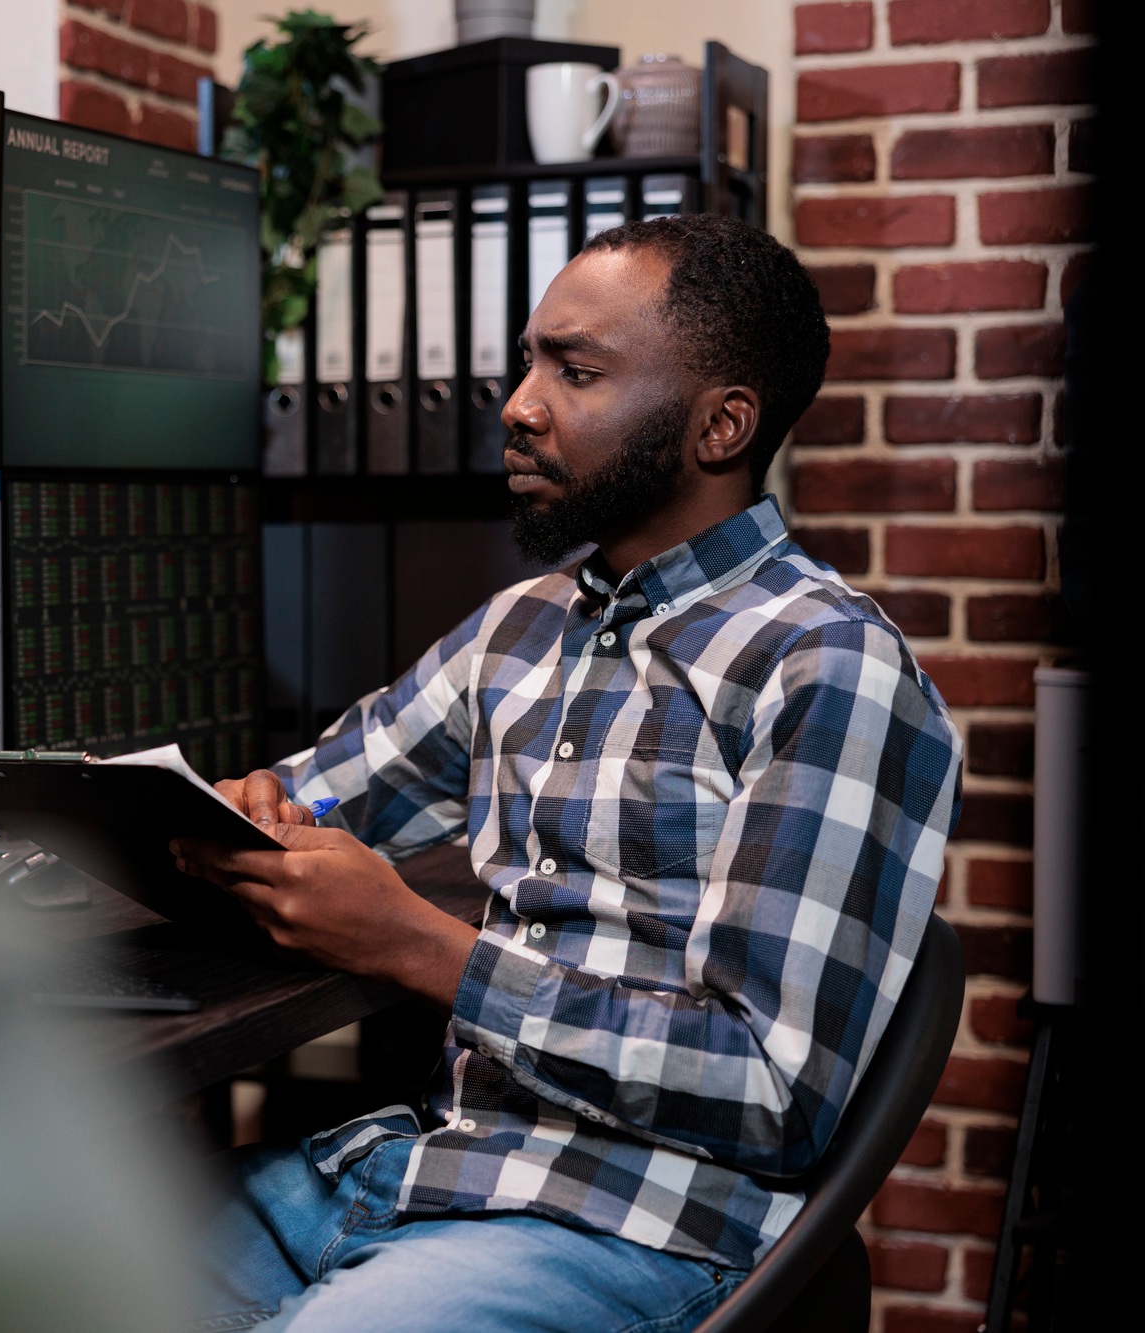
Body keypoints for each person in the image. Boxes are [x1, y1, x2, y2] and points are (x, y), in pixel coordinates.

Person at [174, 213, 963, 1333]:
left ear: (719, 425)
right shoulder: (524, 626)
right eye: (530, 359)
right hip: (413, 1176)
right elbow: (307, 796)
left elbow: (767, 1092)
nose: (517, 403)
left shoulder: (828, 668)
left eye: (574, 370)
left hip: (622, 1227)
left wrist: (416, 944)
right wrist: (245, 814)